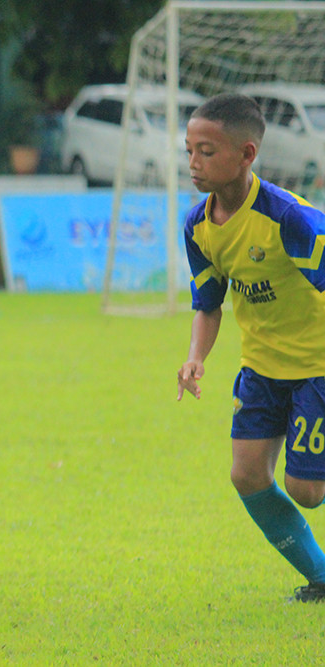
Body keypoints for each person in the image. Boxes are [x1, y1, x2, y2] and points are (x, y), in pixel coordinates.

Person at [177, 92, 325, 602]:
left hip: (317, 367)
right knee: (246, 475)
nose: (194, 163)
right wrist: (196, 357)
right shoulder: (196, 225)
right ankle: (322, 579)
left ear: (247, 155)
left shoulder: (290, 219)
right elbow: (209, 303)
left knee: (308, 492)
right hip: (261, 368)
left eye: (207, 151)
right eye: (189, 150)